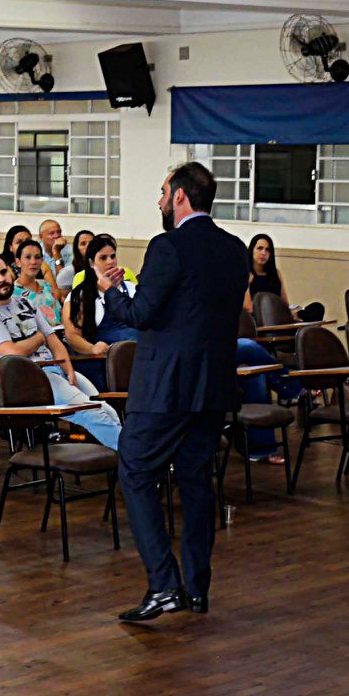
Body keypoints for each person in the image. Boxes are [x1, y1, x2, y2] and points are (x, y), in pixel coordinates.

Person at [99, 163, 250, 624]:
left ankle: (164, 585)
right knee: (196, 480)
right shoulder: (235, 248)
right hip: (214, 385)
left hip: (165, 387)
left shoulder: (168, 246)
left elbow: (141, 314)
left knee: (135, 471)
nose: (160, 201)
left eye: (164, 192)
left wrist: (110, 291)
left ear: (180, 196)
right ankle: (197, 588)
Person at [0, 252, 119, 450]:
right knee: (94, 413)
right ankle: (138, 459)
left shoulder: (23, 301)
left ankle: (131, 458)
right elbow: (14, 354)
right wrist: (40, 337)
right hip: (23, 382)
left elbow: (54, 341)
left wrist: (68, 369)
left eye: (3, 272)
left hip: (53, 371)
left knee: (107, 410)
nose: (1, 279)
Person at [65, 234, 139, 388]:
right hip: (103, 365)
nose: (110, 261)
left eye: (113, 256)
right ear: (91, 263)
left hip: (140, 360)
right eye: (103, 258)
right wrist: (92, 348)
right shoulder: (79, 296)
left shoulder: (133, 289)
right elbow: (72, 336)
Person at [245, 234, 323, 322]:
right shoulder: (245, 273)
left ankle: (299, 322)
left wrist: (292, 314)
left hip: (280, 316)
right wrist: (247, 284)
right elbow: (248, 308)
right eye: (260, 248)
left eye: (267, 250)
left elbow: (284, 303)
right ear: (251, 250)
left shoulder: (276, 273)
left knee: (317, 308)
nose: (263, 253)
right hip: (262, 319)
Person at [12, 238, 62, 333]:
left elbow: (59, 314)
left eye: (37, 257)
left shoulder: (46, 285)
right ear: (18, 262)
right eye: (28, 257)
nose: (33, 262)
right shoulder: (13, 293)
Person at [36, 220, 71, 300]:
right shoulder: (35, 252)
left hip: (64, 294)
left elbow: (63, 283)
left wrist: (57, 253)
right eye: (52, 233)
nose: (57, 236)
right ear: (41, 236)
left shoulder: (70, 251)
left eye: (59, 232)